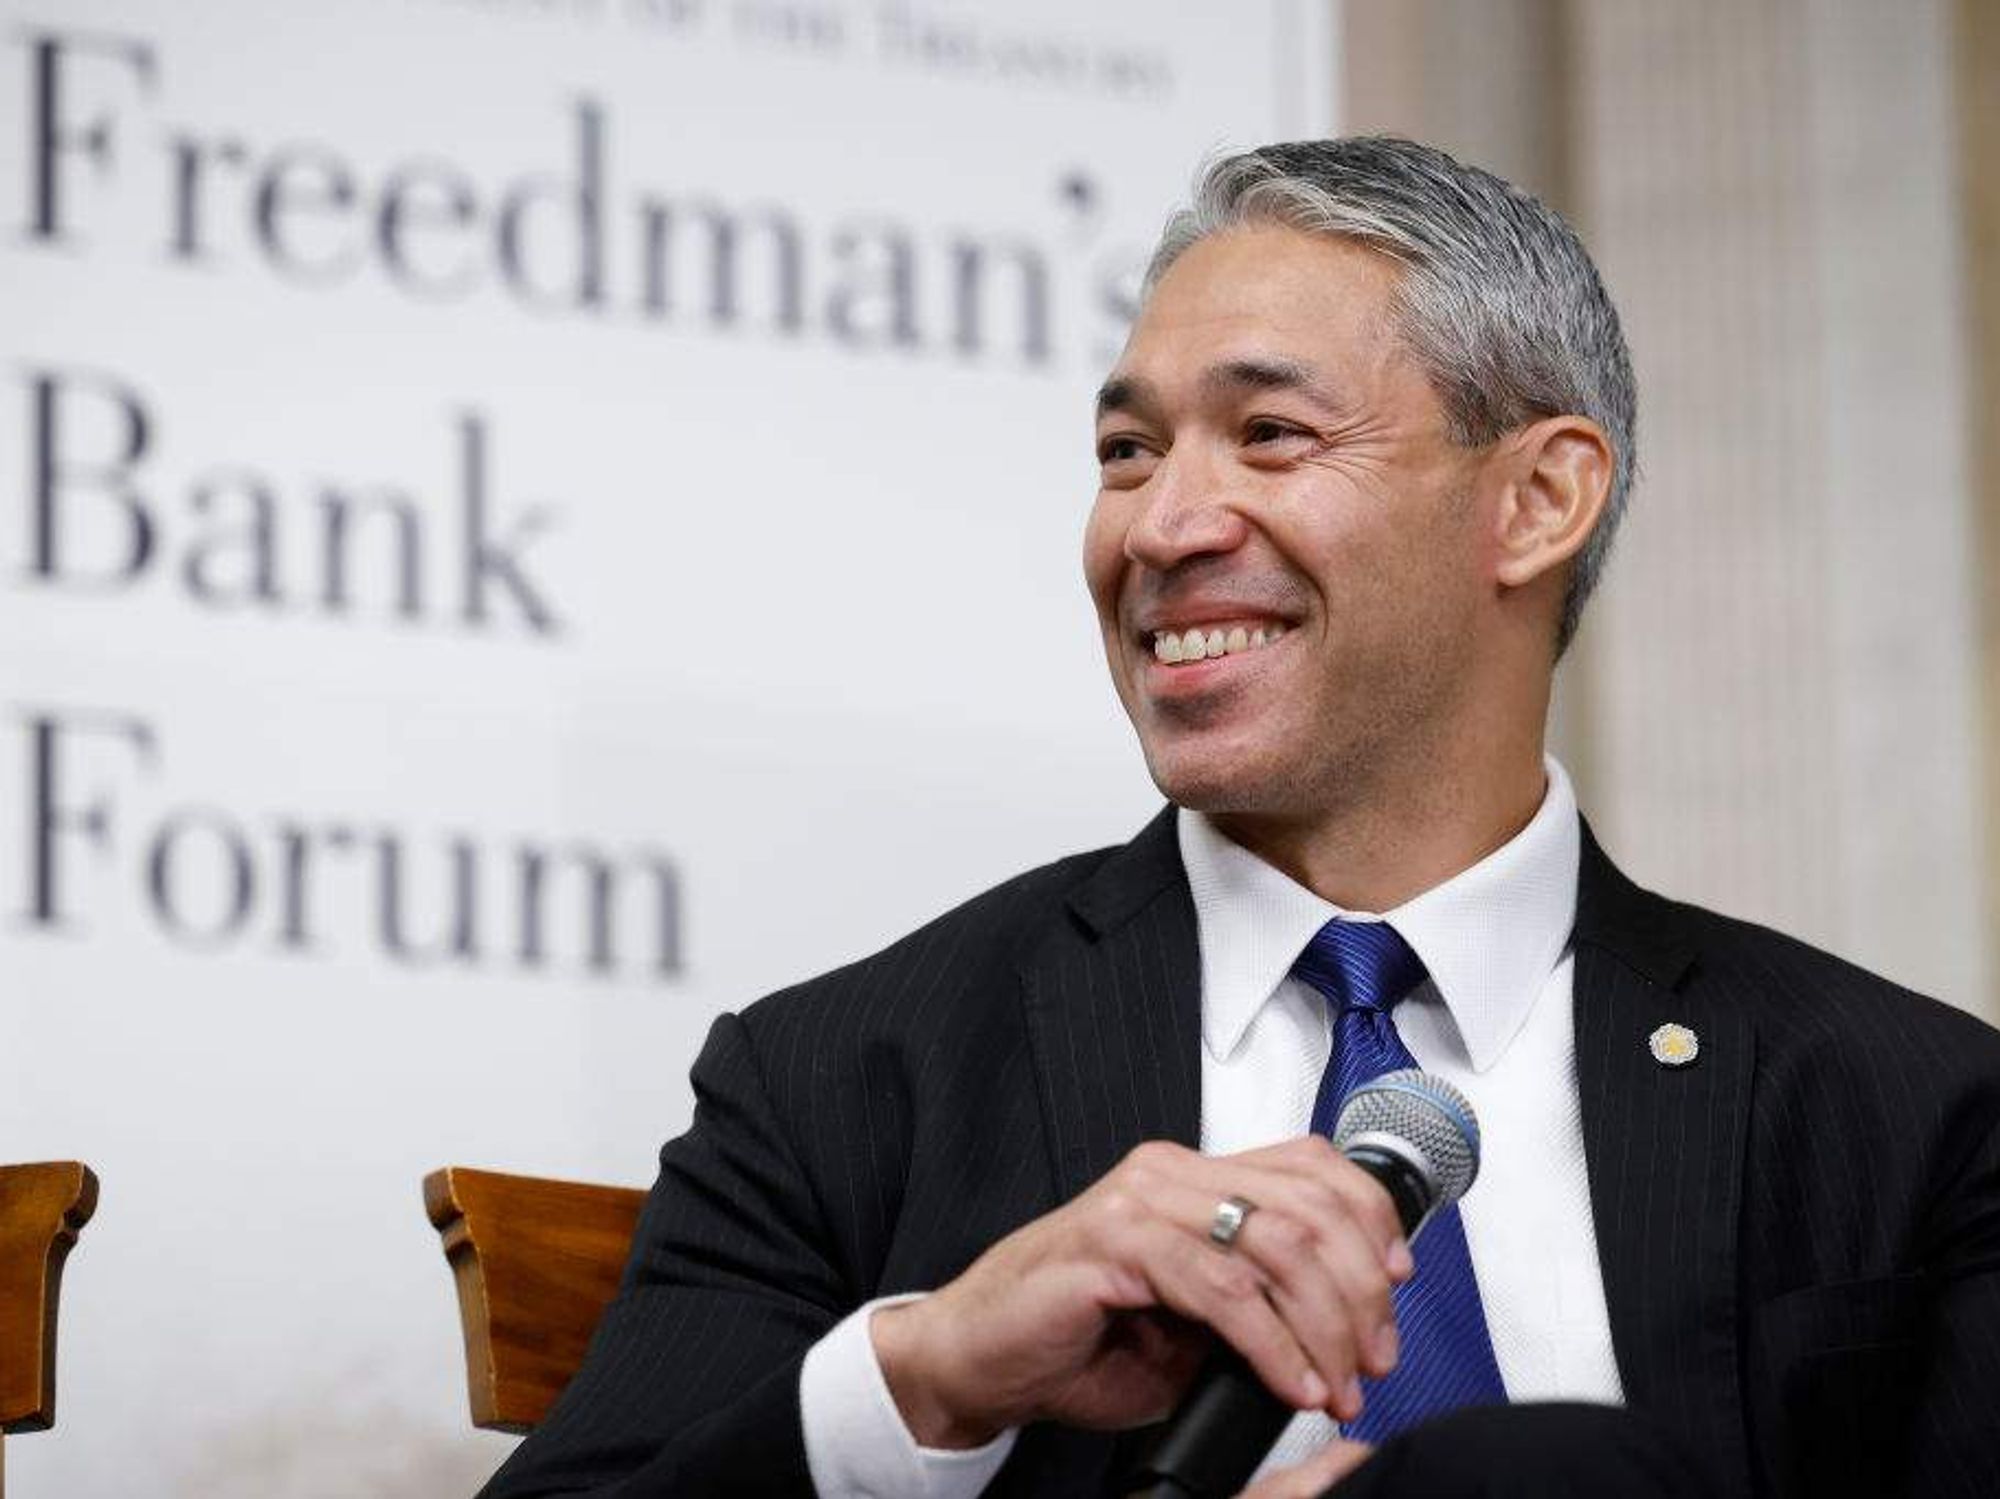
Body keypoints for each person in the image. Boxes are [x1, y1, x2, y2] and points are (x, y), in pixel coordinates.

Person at [475, 138, 2000, 1499]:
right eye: (1127, 453)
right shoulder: (847, 1080)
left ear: (1537, 501)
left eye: (1268, 436)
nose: (1159, 527)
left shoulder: (1908, 1112)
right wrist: (926, 1375)